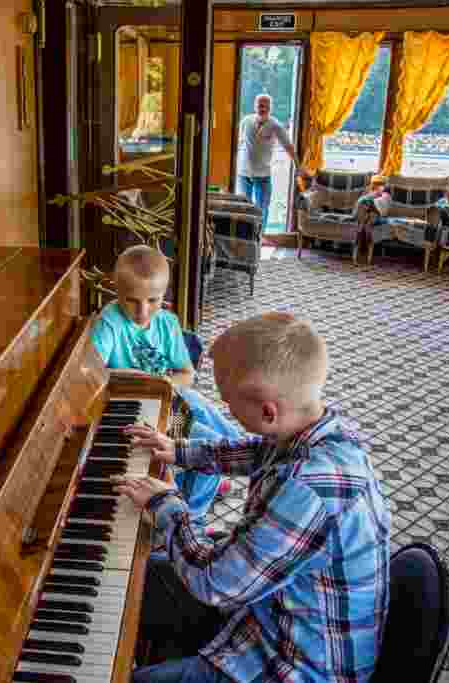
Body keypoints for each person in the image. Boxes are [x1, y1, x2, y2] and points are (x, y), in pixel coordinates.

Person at [115, 312, 391, 683]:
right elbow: (256, 449)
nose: (225, 409)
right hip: (273, 613)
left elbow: (216, 584)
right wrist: (179, 450)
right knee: (138, 577)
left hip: (294, 666)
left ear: (267, 411)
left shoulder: (307, 490)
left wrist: (167, 504)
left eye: (228, 403)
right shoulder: (320, 430)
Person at [90, 245, 242, 523]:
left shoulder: (167, 322)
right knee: (208, 446)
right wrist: (153, 383)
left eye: (153, 300)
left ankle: (206, 482)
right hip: (139, 405)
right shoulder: (109, 323)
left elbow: (186, 373)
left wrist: (166, 384)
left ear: (165, 294)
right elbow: (95, 372)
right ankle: (190, 518)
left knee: (229, 437)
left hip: (171, 392)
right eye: (132, 300)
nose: (142, 311)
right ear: (116, 290)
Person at [236, 94, 301, 231]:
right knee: (244, 209)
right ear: (255, 106)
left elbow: (288, 146)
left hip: (263, 176)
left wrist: (298, 166)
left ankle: (260, 237)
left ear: (270, 108)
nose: (262, 108)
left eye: (265, 106)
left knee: (262, 209)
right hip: (244, 174)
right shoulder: (246, 121)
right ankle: (246, 236)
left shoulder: (275, 125)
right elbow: (240, 142)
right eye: (260, 105)